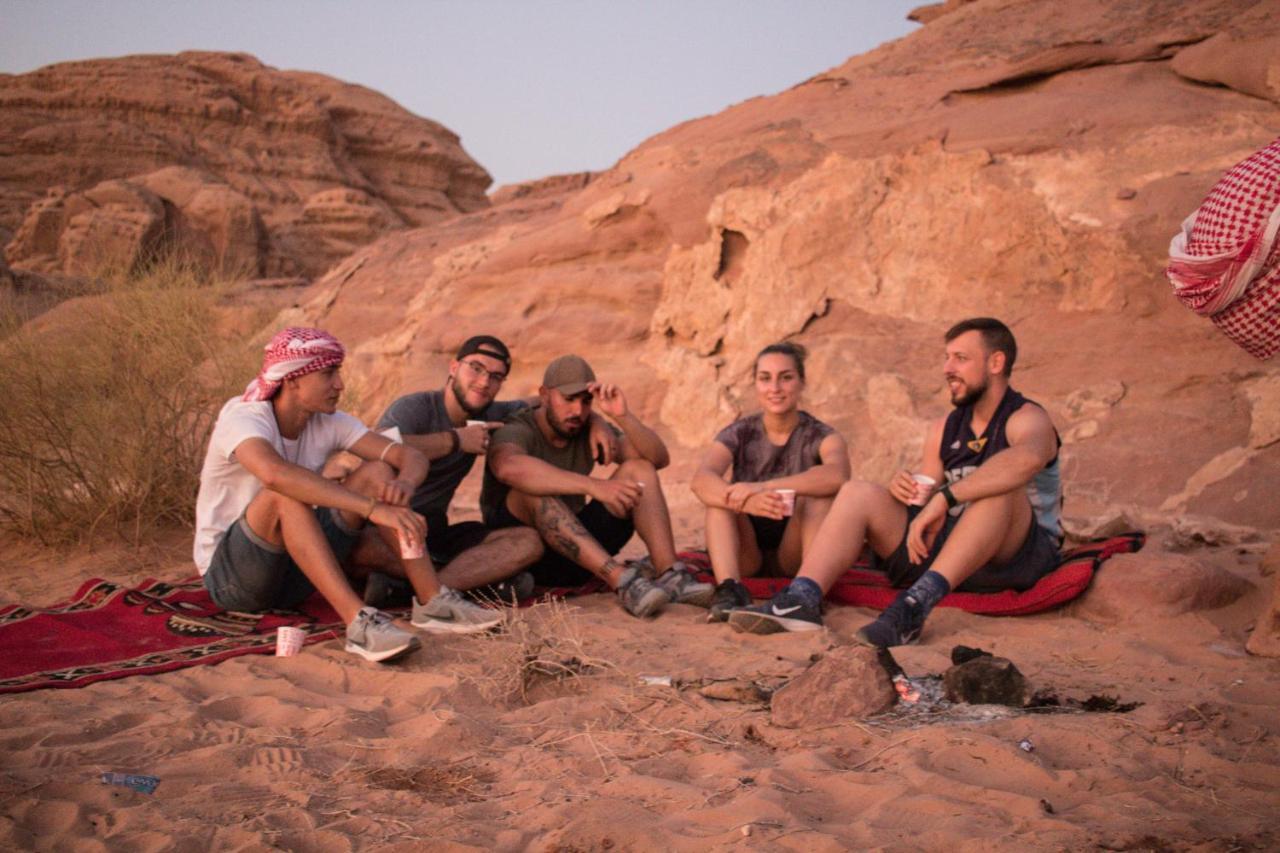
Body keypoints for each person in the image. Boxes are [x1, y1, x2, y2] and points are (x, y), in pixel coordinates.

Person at [729, 318, 1063, 646]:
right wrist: (904, 490)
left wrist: (946, 497)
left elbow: (1027, 459)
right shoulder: (945, 428)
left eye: (960, 358)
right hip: (952, 552)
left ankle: (911, 609)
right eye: (946, 358)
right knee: (858, 492)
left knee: (1002, 491)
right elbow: (927, 491)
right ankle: (801, 599)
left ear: (996, 362)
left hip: (1016, 558)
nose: (948, 368)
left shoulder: (1028, 417)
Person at [194, 328, 494, 665]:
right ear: (293, 380)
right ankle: (358, 623)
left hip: (297, 576)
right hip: (233, 580)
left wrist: (405, 484)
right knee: (284, 494)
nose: (340, 384)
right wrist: (373, 509)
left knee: (379, 473)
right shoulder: (244, 417)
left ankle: (433, 602)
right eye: (328, 374)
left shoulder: (328, 422)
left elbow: (409, 456)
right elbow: (274, 475)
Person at [481, 354, 713, 618]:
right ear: (544, 395)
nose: (578, 410)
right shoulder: (519, 426)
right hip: (524, 555)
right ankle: (623, 582)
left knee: (639, 469)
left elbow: (657, 459)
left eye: (585, 401)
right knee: (531, 493)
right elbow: (508, 467)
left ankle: (671, 575)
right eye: (568, 399)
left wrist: (622, 416)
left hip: (579, 553)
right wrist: (593, 486)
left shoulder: (585, 426)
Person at [691, 342, 851, 621]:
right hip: (746, 552)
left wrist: (762, 487)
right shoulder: (740, 432)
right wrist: (744, 500)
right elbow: (701, 480)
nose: (774, 388)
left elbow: (838, 475)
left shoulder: (821, 434)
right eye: (765, 378)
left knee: (820, 496)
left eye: (785, 377)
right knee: (717, 501)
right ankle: (730, 590)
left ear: (801, 382)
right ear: (755, 384)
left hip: (795, 551)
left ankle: (806, 592)